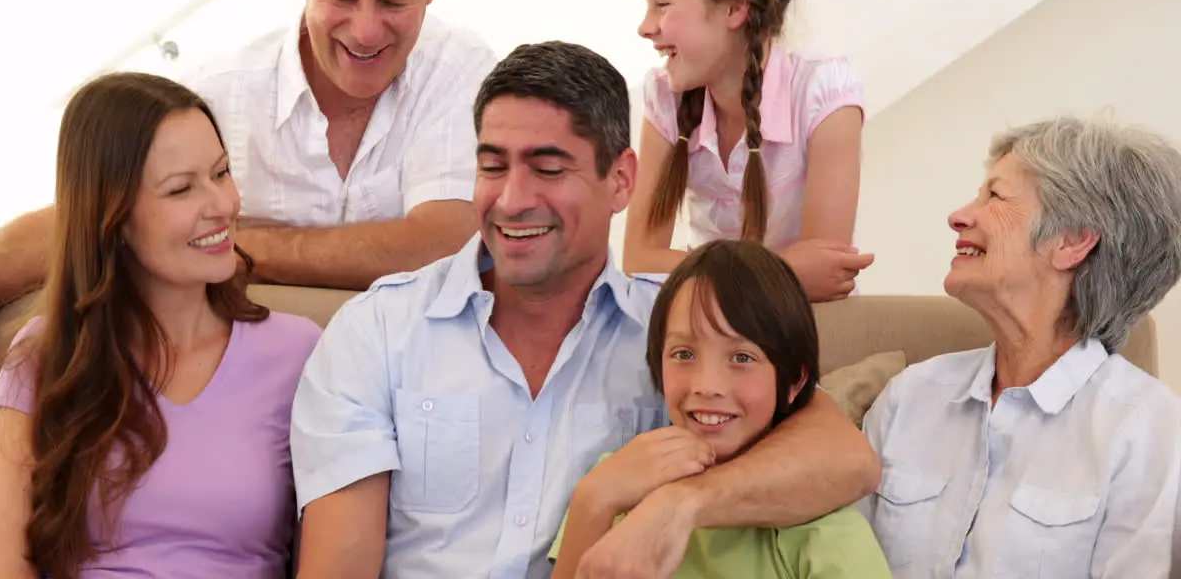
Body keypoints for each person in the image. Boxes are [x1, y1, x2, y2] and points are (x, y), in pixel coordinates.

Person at [0, 0, 495, 424]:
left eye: (394, 1)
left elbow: (443, 243)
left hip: (407, 407)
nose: (366, 30)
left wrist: (224, 245)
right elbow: (93, 217)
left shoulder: (463, 73)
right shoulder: (218, 93)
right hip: (236, 415)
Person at [289, 41, 879, 579]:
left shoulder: (684, 334)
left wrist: (683, 502)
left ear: (621, 180)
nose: (513, 200)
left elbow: (845, 457)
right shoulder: (378, 331)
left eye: (548, 169)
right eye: (493, 166)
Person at [0, 72, 322, 578]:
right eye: (181, 189)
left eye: (222, 173)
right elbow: (5, 569)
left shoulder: (298, 353)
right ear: (112, 218)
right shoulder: (44, 353)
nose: (222, 205)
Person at [858, 116, 1181, 578]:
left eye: (994, 196)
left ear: (1072, 241)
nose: (959, 215)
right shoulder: (909, 397)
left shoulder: (1148, 431)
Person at [550, 239, 892, 578]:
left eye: (742, 358)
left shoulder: (826, 529)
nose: (706, 385)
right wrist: (592, 501)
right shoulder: (617, 477)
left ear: (795, 382)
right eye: (683, 354)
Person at [622, 0, 873, 302]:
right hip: (709, 323)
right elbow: (639, 259)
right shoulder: (664, 96)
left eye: (662, 4)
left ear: (735, 8)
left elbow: (827, 276)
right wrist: (787, 271)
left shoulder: (824, 92)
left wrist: (697, 271)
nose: (645, 26)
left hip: (805, 331)